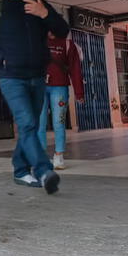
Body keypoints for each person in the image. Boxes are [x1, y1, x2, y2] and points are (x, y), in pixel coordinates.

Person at [0, 0, 69, 195]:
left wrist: (45, 14)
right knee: (27, 123)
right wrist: (2, 58)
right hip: (11, 77)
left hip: (37, 76)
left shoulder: (40, 6)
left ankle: (20, 170)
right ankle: (44, 170)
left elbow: (63, 31)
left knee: (32, 125)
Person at [38, 33, 84, 170]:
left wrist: (79, 92)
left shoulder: (68, 44)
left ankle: (59, 155)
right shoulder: (36, 40)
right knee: (39, 123)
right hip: (38, 86)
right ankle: (41, 156)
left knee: (59, 122)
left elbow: (75, 69)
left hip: (60, 88)